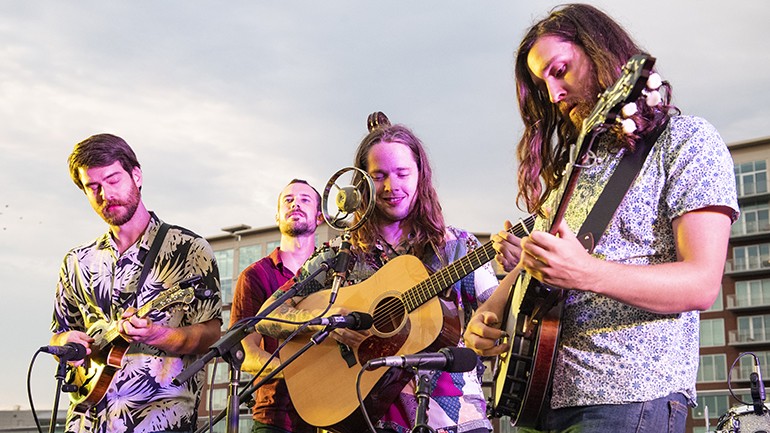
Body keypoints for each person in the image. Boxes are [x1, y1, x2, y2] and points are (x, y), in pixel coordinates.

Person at [463, 4, 739, 433]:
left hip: (628, 396)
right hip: (537, 396)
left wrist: (588, 272)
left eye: (560, 70)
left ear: (600, 53)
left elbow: (702, 283)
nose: (554, 94)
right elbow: (536, 263)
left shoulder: (688, 142)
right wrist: (490, 312)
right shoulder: (577, 168)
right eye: (543, 83)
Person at [257, 114, 498, 433]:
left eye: (402, 173)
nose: (391, 186)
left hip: (455, 416)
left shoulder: (457, 246)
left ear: (420, 176)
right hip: (367, 419)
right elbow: (267, 315)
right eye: (379, 175)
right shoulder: (340, 254)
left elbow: (497, 312)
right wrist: (327, 322)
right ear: (362, 183)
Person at [50, 133, 222, 433]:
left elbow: (210, 332)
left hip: (159, 417)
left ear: (136, 175)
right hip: (86, 420)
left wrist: (159, 335)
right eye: (93, 187)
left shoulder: (189, 249)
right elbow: (60, 333)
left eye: (113, 179)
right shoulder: (76, 261)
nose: (105, 194)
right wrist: (65, 342)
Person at [229, 179, 324, 433]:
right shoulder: (255, 275)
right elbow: (245, 354)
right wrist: (298, 373)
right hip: (276, 417)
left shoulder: (335, 271)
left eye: (305, 200)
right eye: (288, 200)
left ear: (320, 217)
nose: (295, 204)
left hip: (333, 414)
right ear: (277, 216)